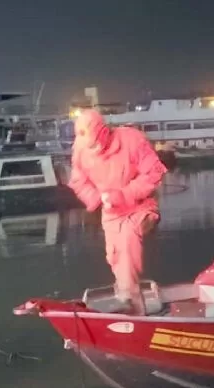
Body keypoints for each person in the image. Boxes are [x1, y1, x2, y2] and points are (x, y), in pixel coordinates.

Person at [68, 109, 167, 315]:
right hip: (111, 212)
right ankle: (133, 303)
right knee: (115, 257)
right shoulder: (80, 148)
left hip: (141, 206)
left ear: (104, 133)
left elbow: (154, 172)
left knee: (127, 242)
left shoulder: (131, 139)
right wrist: (96, 198)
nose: (92, 149)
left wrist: (122, 195)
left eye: (95, 144)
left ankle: (129, 301)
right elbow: (78, 181)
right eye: (88, 146)